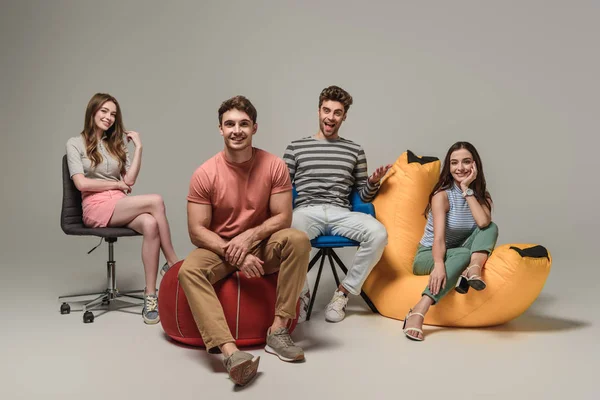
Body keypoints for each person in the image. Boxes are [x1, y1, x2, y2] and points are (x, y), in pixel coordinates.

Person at [178, 95, 311, 387]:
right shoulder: (205, 173)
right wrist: (235, 252)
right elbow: (196, 231)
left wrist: (249, 237)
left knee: (299, 240)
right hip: (221, 248)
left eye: (243, 124)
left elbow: (282, 218)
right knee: (189, 270)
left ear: (254, 128)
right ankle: (230, 354)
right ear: (220, 129)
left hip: (262, 244)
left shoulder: (274, 165)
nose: (236, 130)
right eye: (230, 124)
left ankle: (278, 331)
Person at [65, 93, 179, 325]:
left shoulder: (114, 144)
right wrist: (115, 184)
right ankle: (174, 263)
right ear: (93, 112)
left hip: (118, 203)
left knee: (150, 223)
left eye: (113, 114)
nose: (109, 117)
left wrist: (138, 148)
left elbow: (130, 181)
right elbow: (81, 184)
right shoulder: (74, 143)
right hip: (95, 207)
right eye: (104, 111)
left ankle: (150, 296)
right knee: (156, 200)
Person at [283, 85, 391, 323]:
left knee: (378, 233)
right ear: (319, 111)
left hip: (342, 213)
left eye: (337, 112)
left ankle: (343, 293)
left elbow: (363, 197)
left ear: (344, 116)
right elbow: (281, 189)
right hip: (306, 211)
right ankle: (301, 294)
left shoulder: (355, 150)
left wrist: (373, 182)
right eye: (326, 110)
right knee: (288, 234)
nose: (330, 117)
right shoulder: (295, 147)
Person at [402, 141, 499, 341]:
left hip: (459, 252)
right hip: (429, 254)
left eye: (466, 162)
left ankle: (473, 269)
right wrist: (438, 264)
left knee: (491, 226)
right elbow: (438, 238)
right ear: (449, 167)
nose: (460, 168)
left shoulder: (483, 197)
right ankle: (419, 309)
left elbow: (482, 222)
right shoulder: (442, 196)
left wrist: (466, 189)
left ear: (475, 165)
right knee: (464, 252)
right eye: (454, 163)